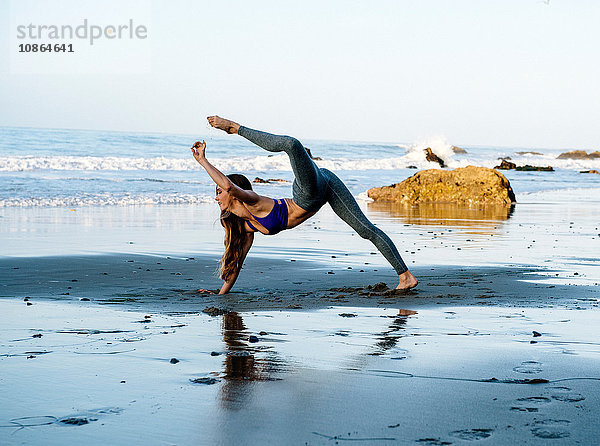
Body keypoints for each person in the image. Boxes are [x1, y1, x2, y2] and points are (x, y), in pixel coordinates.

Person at [191, 116, 418, 295]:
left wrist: (203, 160)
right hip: (324, 188)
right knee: (364, 230)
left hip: (307, 194)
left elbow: (229, 186)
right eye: (216, 193)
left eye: (218, 191)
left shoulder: (251, 200)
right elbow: (237, 262)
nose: (216, 196)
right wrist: (221, 295)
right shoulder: (244, 228)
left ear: (232, 194)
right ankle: (406, 278)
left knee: (291, 145)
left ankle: (234, 127)